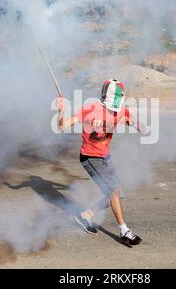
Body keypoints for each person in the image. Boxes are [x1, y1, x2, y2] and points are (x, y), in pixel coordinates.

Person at [56, 79, 144, 246]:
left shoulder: (121, 112)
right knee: (114, 192)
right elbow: (62, 126)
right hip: (90, 158)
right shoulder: (90, 110)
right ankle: (124, 231)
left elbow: (132, 122)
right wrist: (61, 111)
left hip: (105, 157)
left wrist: (142, 127)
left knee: (117, 194)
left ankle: (86, 215)